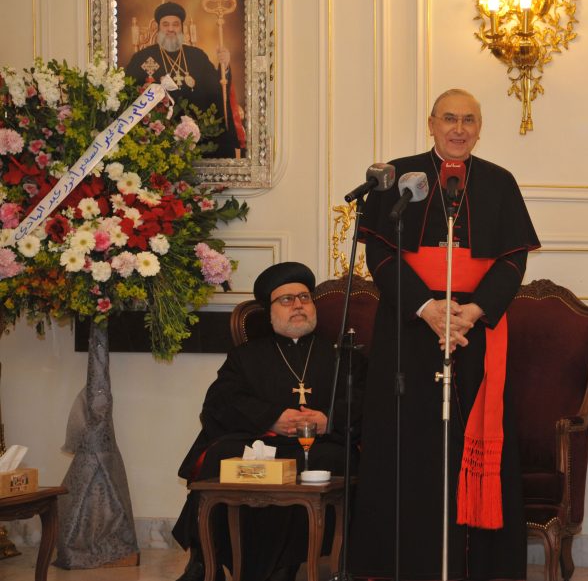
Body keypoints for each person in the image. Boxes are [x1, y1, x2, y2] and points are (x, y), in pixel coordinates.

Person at [349, 88, 540, 580]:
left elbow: (512, 260)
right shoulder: (399, 177)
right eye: (449, 118)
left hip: (475, 331)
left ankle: (477, 567)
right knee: (409, 447)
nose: (459, 129)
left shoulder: (499, 182)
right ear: (431, 123)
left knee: (466, 446)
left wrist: (470, 313)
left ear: (480, 129)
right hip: (409, 328)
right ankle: (406, 565)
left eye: (468, 120)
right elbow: (380, 254)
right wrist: (427, 309)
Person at [172, 261, 365, 581]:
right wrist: (272, 418)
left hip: (321, 443)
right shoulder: (246, 356)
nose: (298, 305)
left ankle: (284, 565)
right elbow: (220, 403)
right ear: (270, 311)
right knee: (220, 455)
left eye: (304, 297)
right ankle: (206, 561)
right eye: (286, 299)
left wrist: (327, 420)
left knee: (328, 459)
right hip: (263, 442)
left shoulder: (344, 356)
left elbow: (365, 400)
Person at [124, 1, 246, 158]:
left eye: (175, 24)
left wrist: (225, 67)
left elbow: (216, 89)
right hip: (158, 137)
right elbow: (130, 95)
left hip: (199, 135)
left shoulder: (197, 56)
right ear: (158, 27)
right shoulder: (142, 58)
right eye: (165, 24)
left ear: (181, 28)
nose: (170, 29)